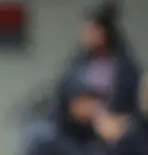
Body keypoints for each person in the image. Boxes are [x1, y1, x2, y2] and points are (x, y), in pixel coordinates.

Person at [58, 1, 141, 143]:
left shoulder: (125, 68)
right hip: (77, 130)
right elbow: (63, 96)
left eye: (92, 31)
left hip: (116, 130)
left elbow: (138, 104)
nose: (86, 36)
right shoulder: (77, 65)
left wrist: (122, 121)